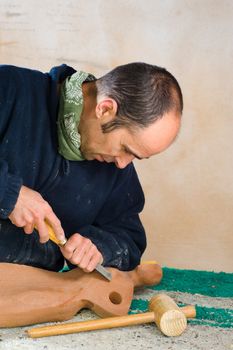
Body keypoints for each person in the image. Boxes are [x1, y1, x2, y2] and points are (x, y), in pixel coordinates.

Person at [0, 62, 183, 273]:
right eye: (125, 148)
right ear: (105, 108)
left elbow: (129, 238)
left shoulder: (116, 167)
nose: (123, 163)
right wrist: (10, 193)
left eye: (136, 157)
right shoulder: (10, 87)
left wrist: (99, 247)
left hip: (29, 294)